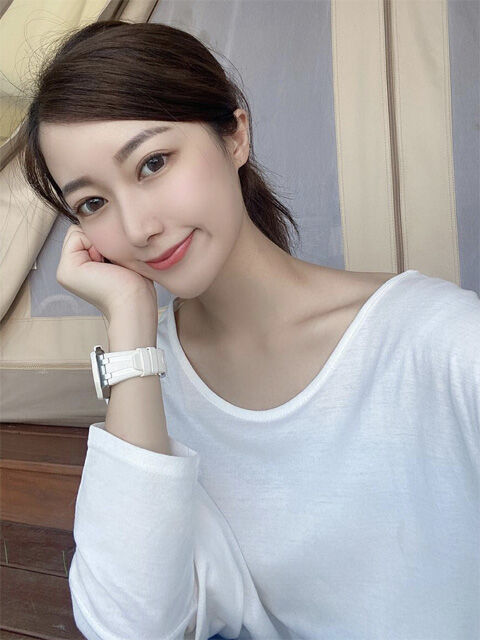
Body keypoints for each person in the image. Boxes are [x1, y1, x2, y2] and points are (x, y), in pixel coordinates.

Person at [15, 19, 479, 640]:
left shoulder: (439, 341)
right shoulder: (148, 388)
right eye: (92, 203)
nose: (138, 227)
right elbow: (128, 628)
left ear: (235, 135)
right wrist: (128, 320)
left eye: (153, 163)